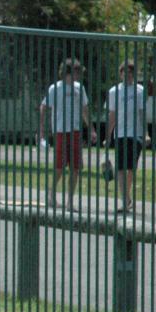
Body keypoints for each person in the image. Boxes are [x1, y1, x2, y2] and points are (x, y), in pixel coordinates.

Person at [39, 57, 98, 210]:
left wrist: (91, 129)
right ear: (68, 72)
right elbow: (44, 107)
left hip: (75, 131)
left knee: (76, 168)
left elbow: (85, 110)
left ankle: (70, 201)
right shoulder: (55, 88)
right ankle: (51, 194)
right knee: (59, 167)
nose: (78, 76)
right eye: (76, 72)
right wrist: (42, 131)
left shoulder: (80, 88)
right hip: (60, 131)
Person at [105, 60, 149, 214]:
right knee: (121, 168)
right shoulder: (114, 91)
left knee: (131, 168)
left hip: (136, 133)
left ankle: (126, 196)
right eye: (125, 73)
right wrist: (108, 135)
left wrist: (146, 133)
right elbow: (112, 114)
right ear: (121, 74)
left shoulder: (140, 90)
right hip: (121, 134)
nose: (128, 76)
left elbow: (142, 113)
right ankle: (125, 200)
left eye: (131, 73)